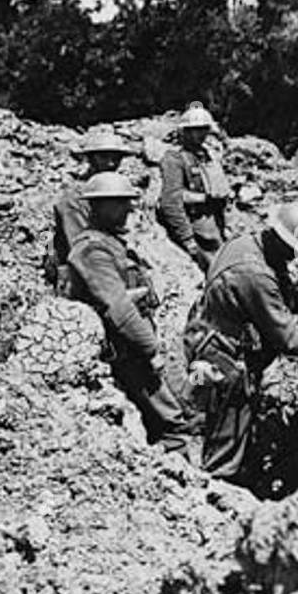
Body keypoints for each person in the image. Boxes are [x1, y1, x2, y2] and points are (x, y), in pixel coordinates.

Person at [184, 201, 298, 487]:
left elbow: (271, 289)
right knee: (225, 438)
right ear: (280, 239)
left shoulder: (246, 244)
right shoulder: (255, 274)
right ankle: (217, 496)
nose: (295, 255)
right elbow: (290, 340)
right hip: (224, 359)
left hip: (208, 336)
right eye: (294, 248)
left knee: (227, 423)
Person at [67, 172, 191, 454]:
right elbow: (118, 308)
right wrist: (150, 348)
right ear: (97, 206)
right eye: (120, 202)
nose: (129, 208)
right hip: (126, 345)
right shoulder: (93, 250)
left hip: (134, 339)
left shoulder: (110, 241)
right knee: (172, 417)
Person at [48, 130, 142, 296]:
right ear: (91, 159)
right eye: (104, 157)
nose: (111, 163)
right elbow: (80, 247)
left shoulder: (116, 193)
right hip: (81, 276)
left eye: (116, 158)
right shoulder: (73, 199)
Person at [157, 103, 231, 273]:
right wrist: (187, 237)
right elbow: (170, 201)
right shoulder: (175, 158)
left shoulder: (207, 155)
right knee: (218, 270)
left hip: (214, 221)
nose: (201, 134)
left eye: (204, 129)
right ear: (185, 131)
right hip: (196, 224)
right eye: (195, 129)